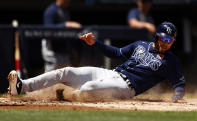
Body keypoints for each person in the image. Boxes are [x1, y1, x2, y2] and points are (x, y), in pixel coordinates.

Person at [8, 22, 185, 102]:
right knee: (66, 72)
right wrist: (96, 43)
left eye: (170, 41)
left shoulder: (170, 61)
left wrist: (177, 96)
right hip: (112, 73)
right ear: (157, 36)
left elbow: (179, 83)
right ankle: (21, 87)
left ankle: (67, 96)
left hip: (127, 87)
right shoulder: (141, 45)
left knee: (87, 89)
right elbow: (116, 52)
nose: (166, 43)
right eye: (164, 39)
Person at [42, 0, 82, 72]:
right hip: (52, 51)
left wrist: (72, 50)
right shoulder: (51, 10)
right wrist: (66, 24)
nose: (68, 1)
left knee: (65, 77)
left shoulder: (65, 11)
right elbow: (47, 29)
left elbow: (68, 35)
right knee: (50, 78)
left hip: (64, 51)